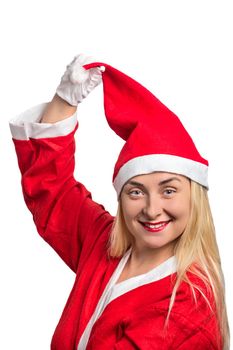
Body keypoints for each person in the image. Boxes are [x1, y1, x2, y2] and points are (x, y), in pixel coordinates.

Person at [9, 54, 229, 349]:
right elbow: (53, 193)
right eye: (136, 191)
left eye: (168, 191)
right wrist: (64, 101)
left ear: (195, 197)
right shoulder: (104, 242)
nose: (152, 210)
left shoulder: (189, 304)